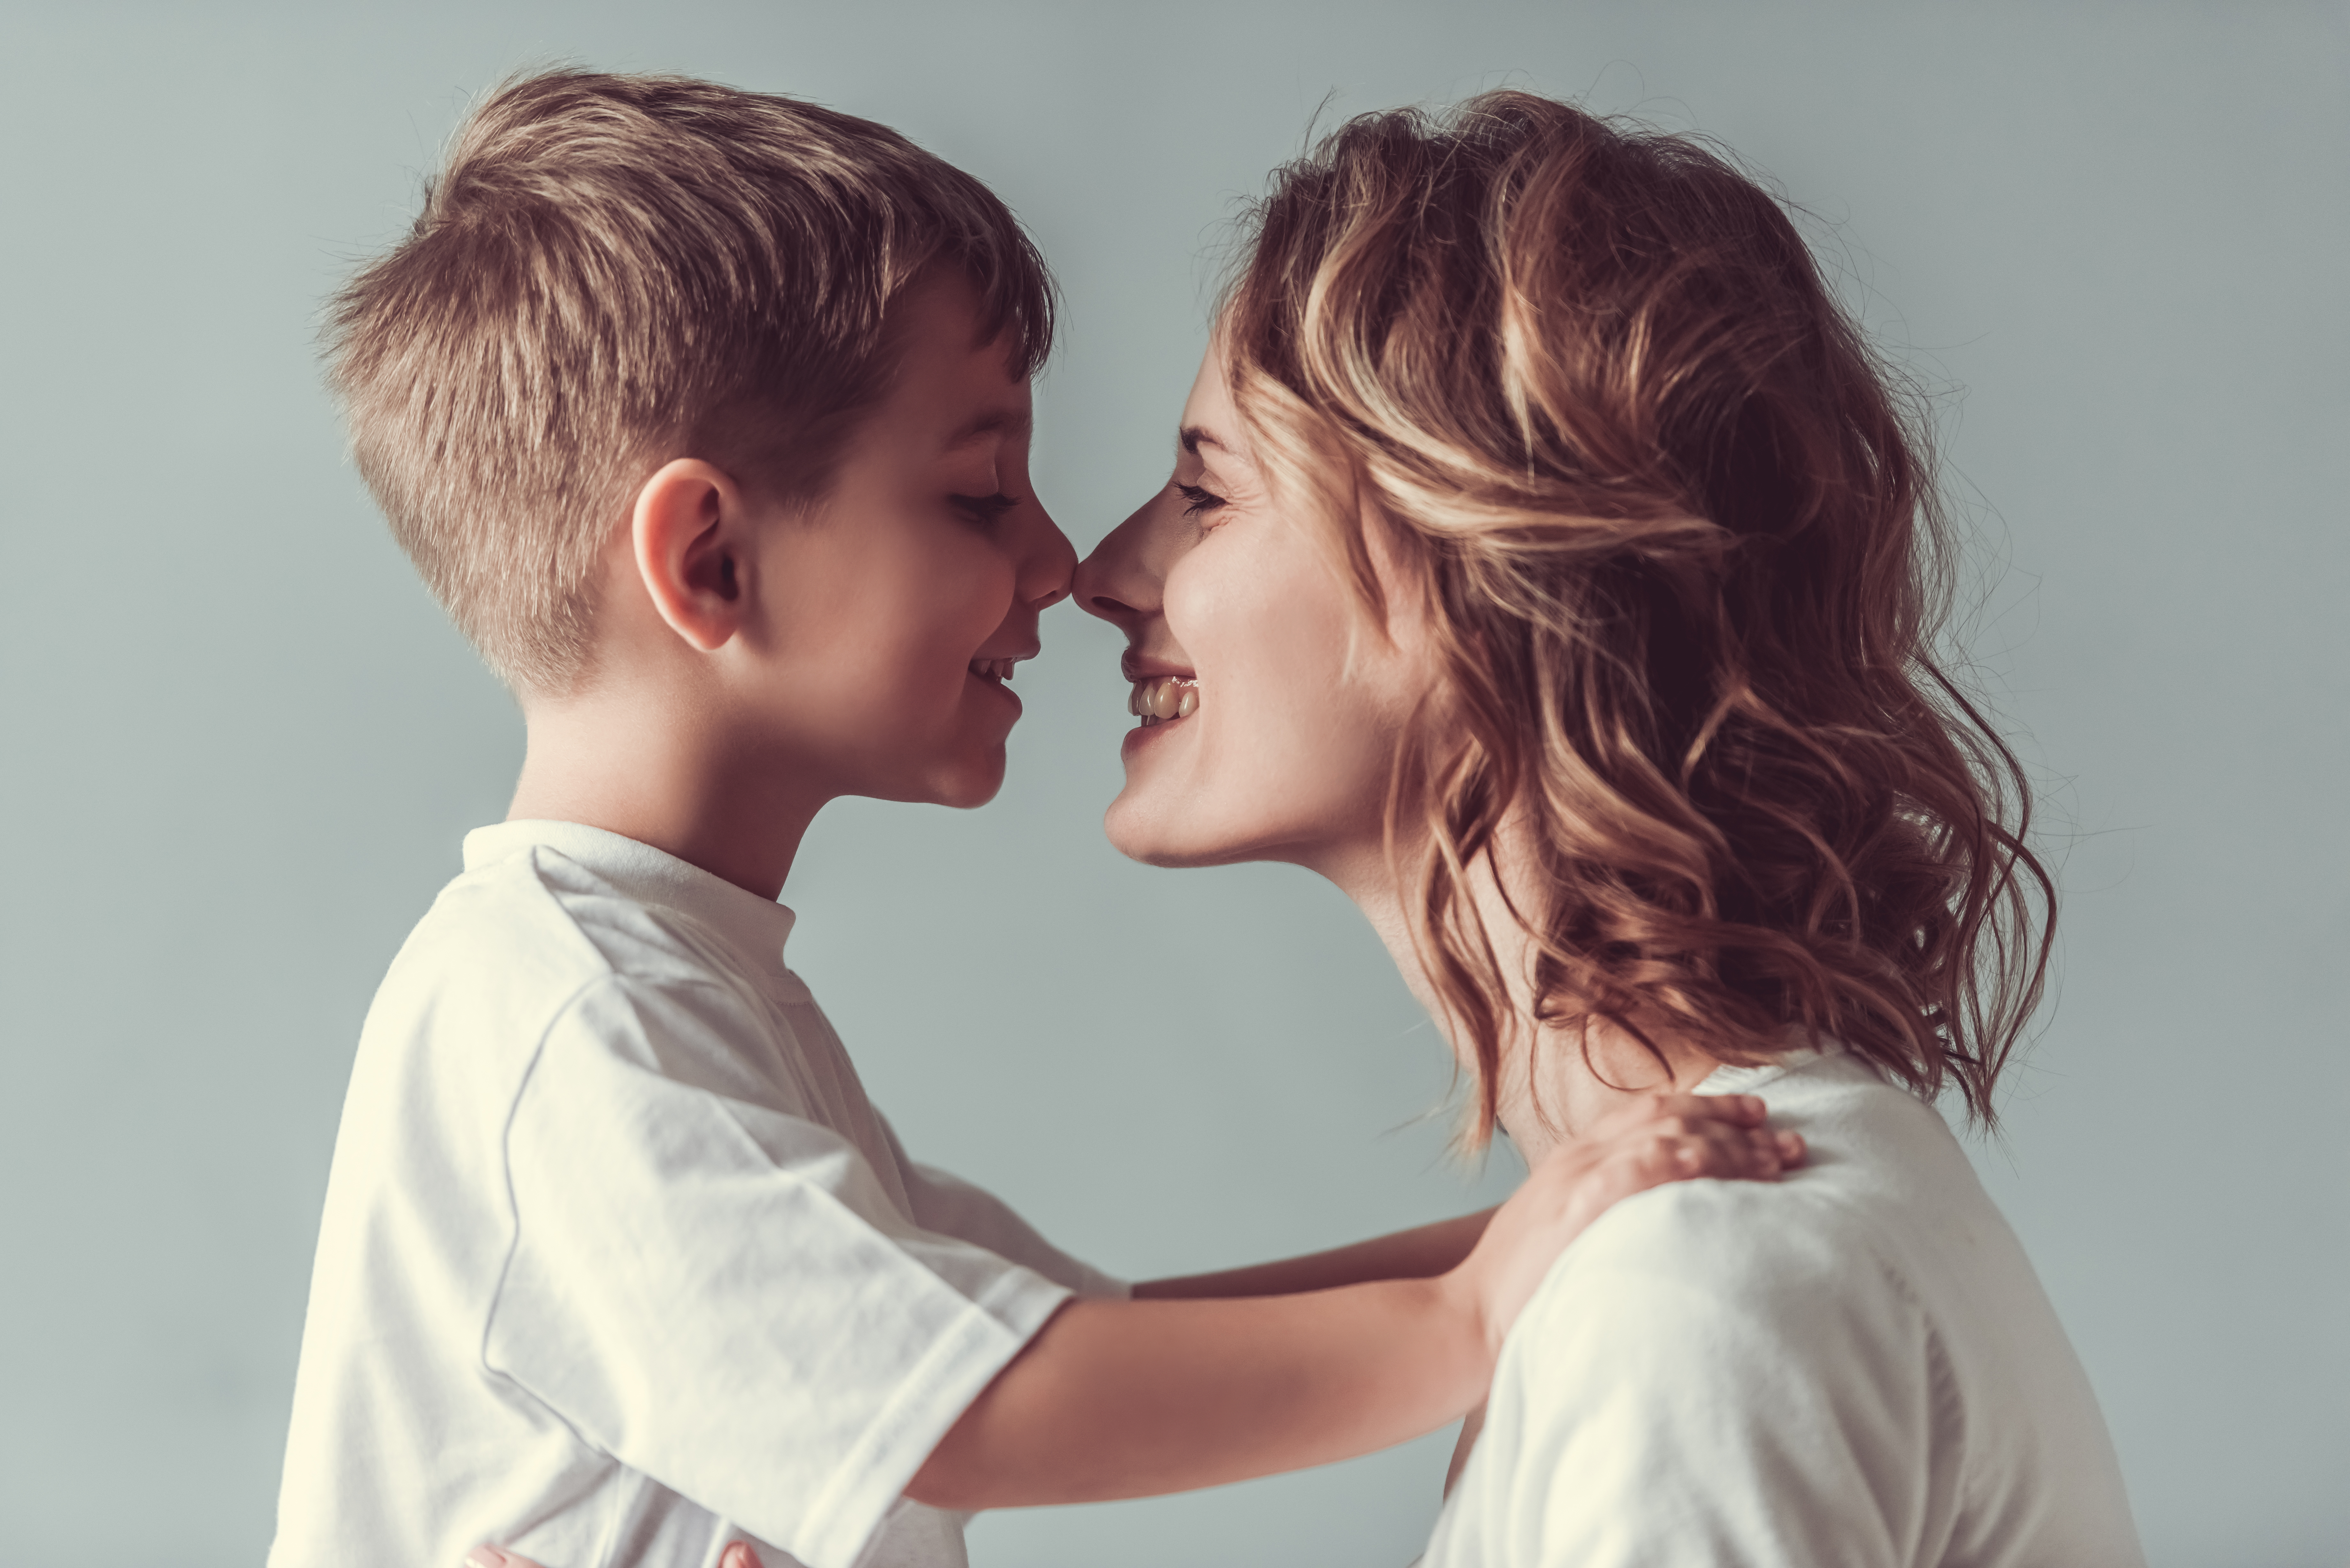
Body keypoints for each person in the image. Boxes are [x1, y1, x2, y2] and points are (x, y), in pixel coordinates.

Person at [272, 71, 1800, 1568]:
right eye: (980, 494)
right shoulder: (566, 1024)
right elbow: (973, 1407)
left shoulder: (665, 1000)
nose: (1065, 560)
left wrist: (1541, 1224)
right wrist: (1468, 1319)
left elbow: (1097, 1338)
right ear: (710, 563)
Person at [1066, 93, 2146, 1564]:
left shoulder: (1701, 1280)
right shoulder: (1671, 1238)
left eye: (1205, 491)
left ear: (1481, 562)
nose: (1102, 572)